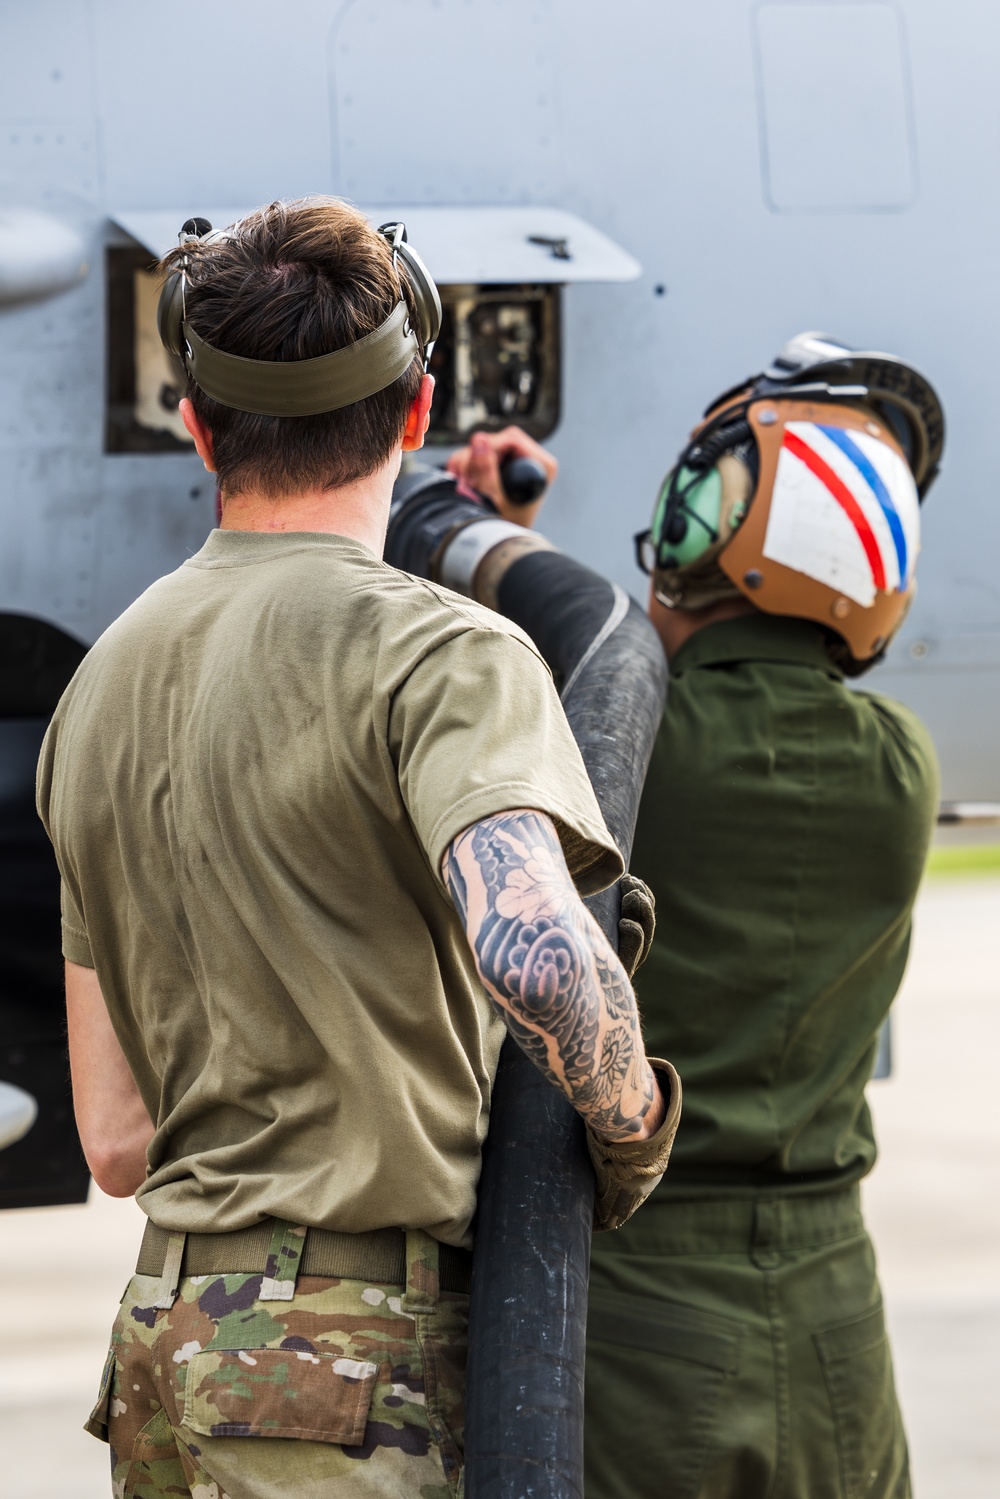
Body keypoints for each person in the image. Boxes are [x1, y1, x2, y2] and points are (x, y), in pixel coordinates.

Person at [36, 198, 680, 1499]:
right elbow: (538, 952)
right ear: (413, 412)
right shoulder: (447, 655)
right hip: (338, 1371)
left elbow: (113, 1138)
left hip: (168, 1343)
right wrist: (633, 1125)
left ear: (200, 426)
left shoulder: (95, 685)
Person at [452, 334, 943, 1499]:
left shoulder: (622, 747)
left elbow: (593, 702)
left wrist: (482, 528)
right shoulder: (899, 768)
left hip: (634, 1317)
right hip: (834, 1329)